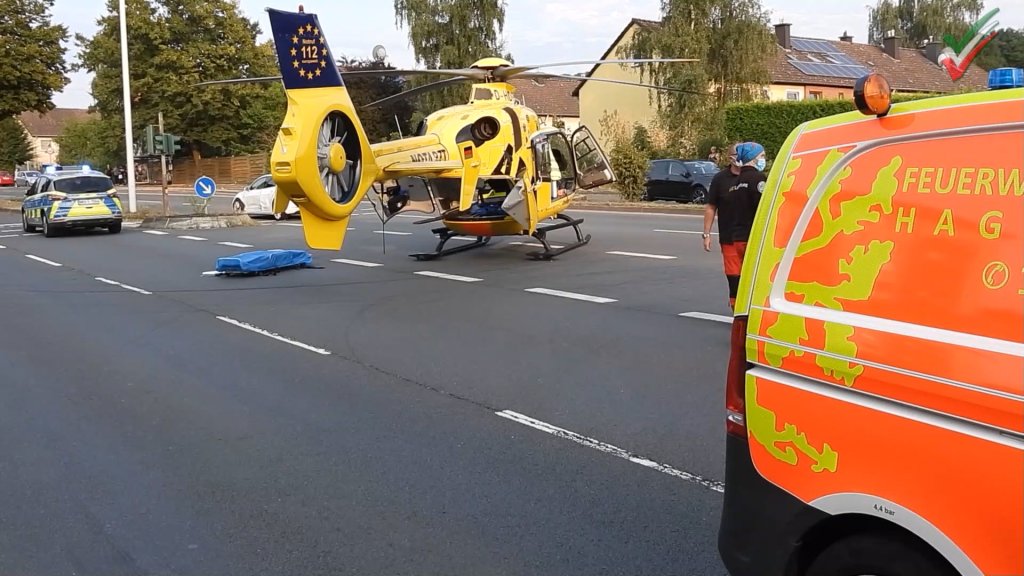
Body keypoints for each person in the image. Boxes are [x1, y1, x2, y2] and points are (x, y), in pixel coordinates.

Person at [703, 141, 768, 309]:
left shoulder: (738, 182)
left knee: (738, 275)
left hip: (738, 236)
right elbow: (711, 206)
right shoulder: (726, 179)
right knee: (741, 275)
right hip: (738, 236)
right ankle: (741, 308)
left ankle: (739, 307)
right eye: (761, 156)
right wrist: (706, 233)